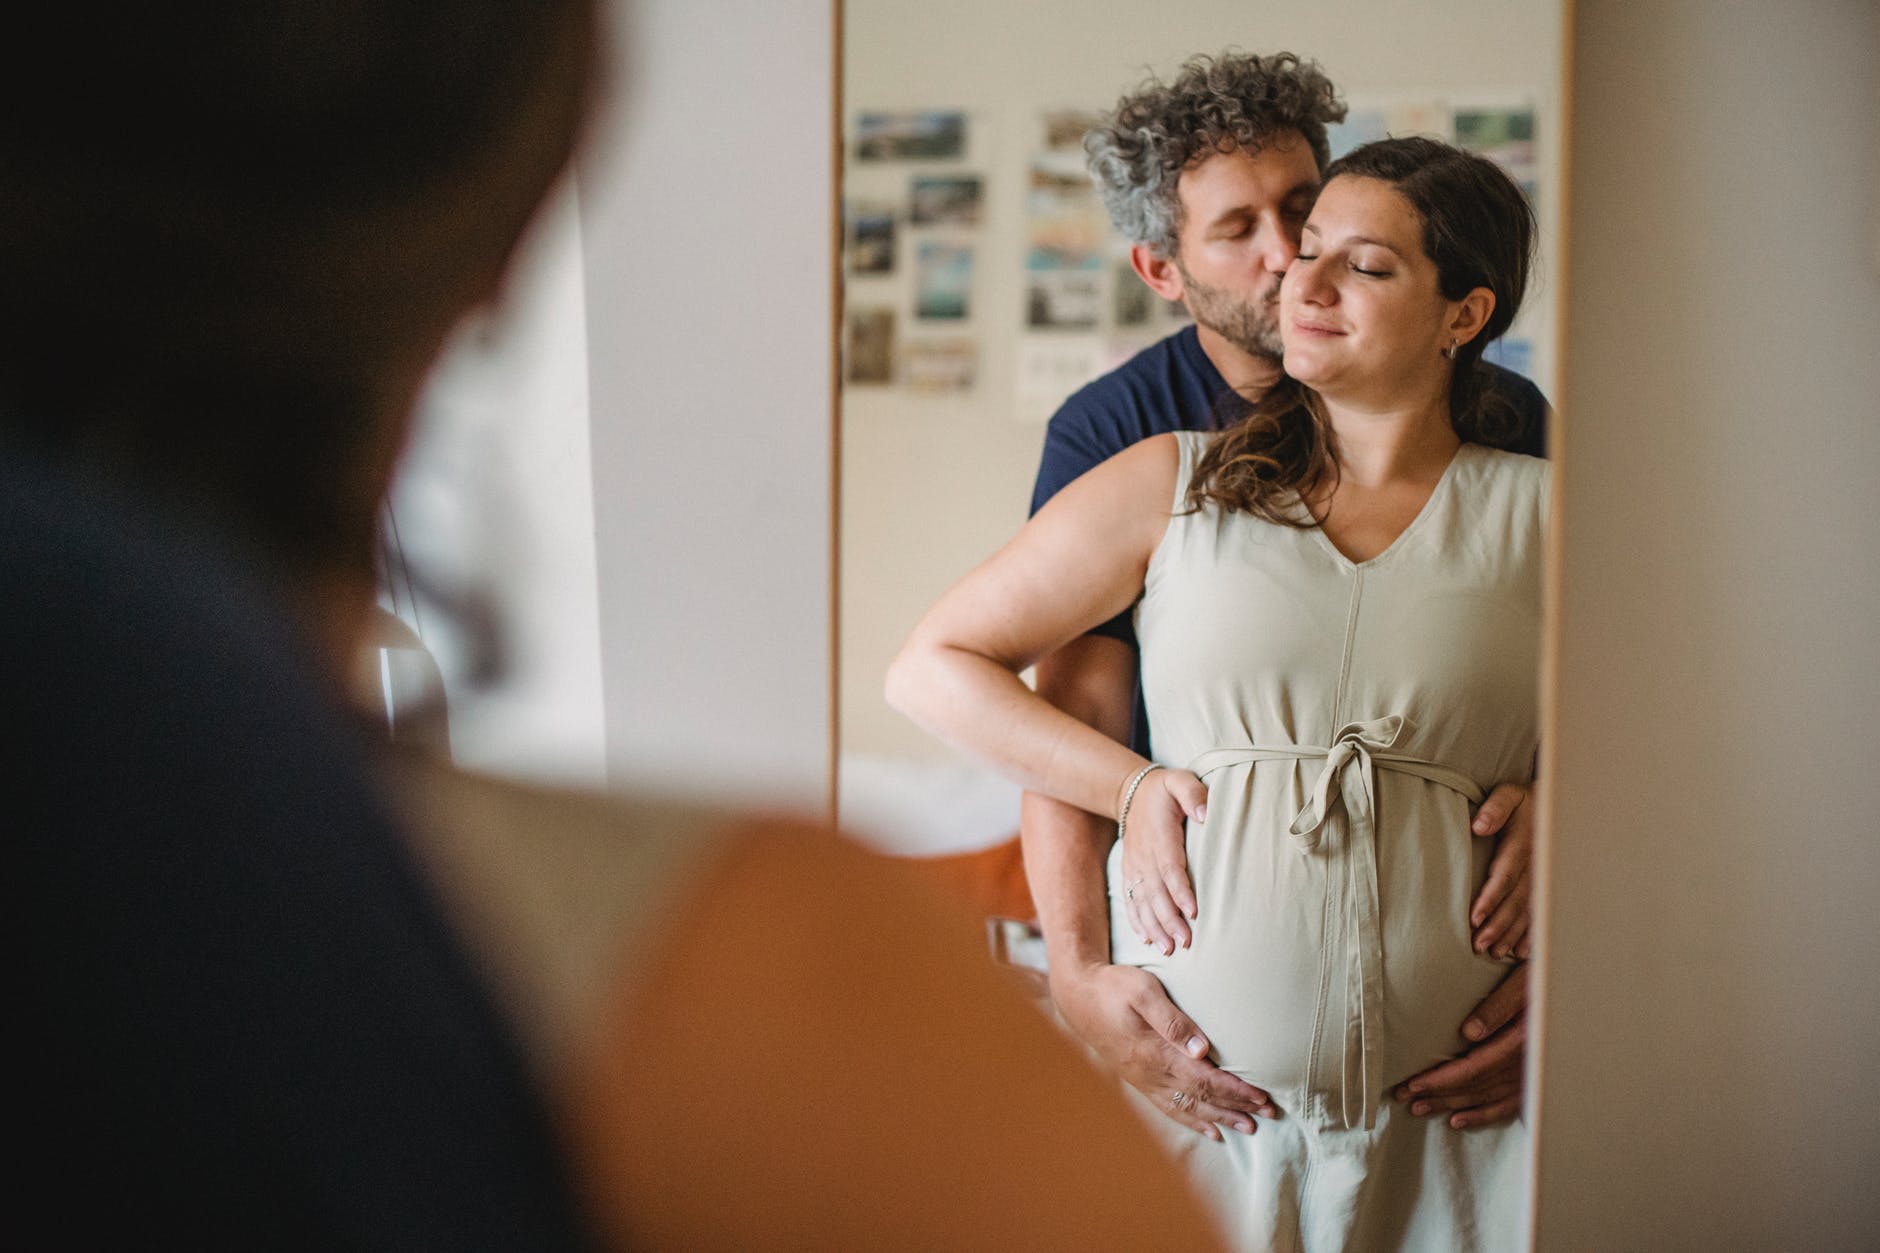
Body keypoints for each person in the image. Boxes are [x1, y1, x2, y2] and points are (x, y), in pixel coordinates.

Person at [6, 4, 1225, 1248]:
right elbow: (985, 673)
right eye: (1247, 224)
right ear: (508, 232)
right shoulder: (735, 988)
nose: (1290, 261)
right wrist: (1112, 855)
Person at [888, 135, 1546, 1248]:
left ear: (1461, 314)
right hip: (1206, 1109)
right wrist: (1135, 788)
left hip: (1466, 1122)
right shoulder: (1165, 478)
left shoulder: (1547, 508)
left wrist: (1568, 800)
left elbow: (1690, 734)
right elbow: (934, 671)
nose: (1303, 276)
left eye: (1364, 264)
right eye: (1306, 251)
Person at [1022, 53, 1539, 1150]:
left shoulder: (1503, 420)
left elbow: (1570, 672)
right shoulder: (1120, 440)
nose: (1282, 260)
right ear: (1160, 269)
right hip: (1204, 975)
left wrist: (1571, 808)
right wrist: (1075, 971)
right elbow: (1067, 717)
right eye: (1236, 230)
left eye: (1301, 212)